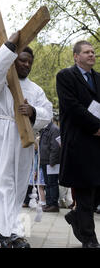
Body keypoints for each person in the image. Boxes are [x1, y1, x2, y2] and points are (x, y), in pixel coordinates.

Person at [0, 32, 53, 248]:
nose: (27, 64)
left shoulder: (36, 89)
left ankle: (12, 231)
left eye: (29, 62)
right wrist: (9, 46)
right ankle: (3, 232)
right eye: (22, 60)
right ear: (13, 59)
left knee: (19, 185)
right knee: (1, 183)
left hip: (23, 137)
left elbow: (47, 113)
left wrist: (32, 112)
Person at [56, 40, 100, 248]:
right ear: (76, 56)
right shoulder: (65, 76)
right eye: (87, 52)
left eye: (93, 52)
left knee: (93, 192)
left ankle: (75, 217)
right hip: (79, 142)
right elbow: (72, 106)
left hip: (97, 144)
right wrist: (95, 126)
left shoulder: (98, 78)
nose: (92, 55)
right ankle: (89, 239)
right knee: (84, 192)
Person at [39, 120, 61, 212]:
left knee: (52, 183)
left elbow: (55, 147)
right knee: (48, 184)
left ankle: (54, 204)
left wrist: (52, 162)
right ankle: (49, 203)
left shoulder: (54, 129)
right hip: (45, 161)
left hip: (51, 162)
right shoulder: (45, 129)